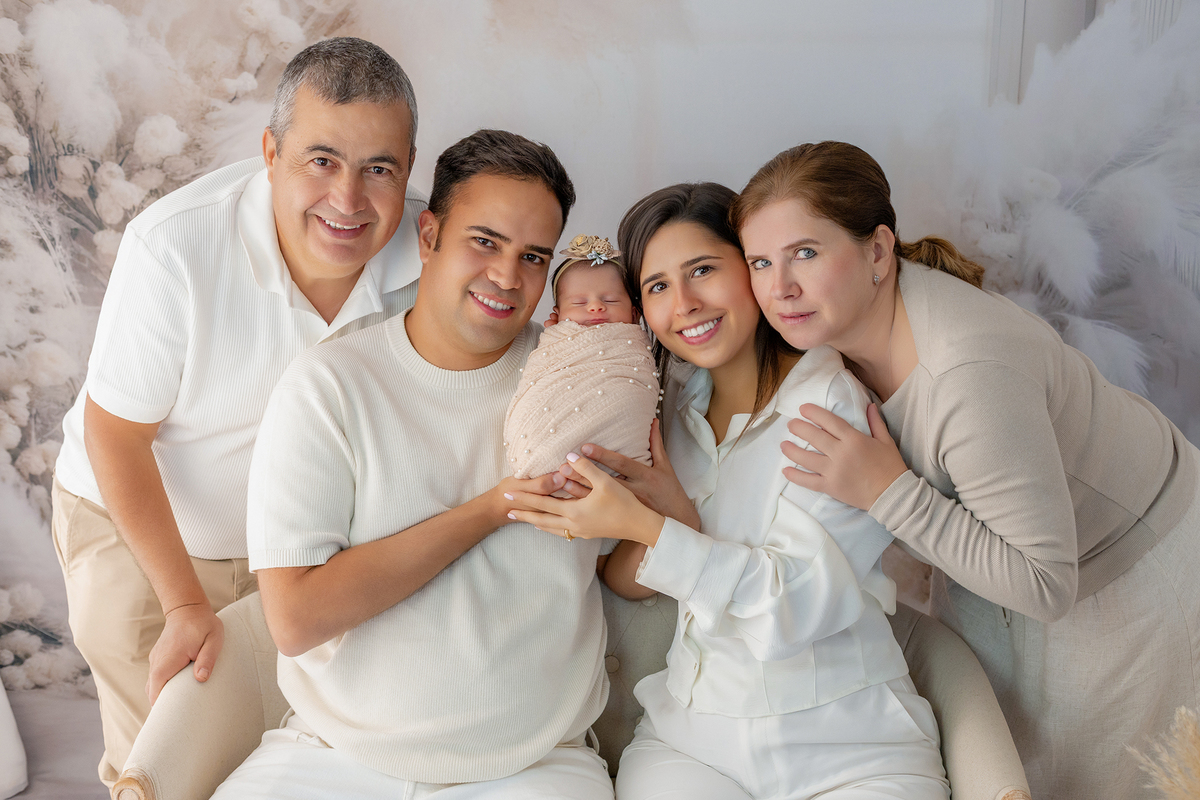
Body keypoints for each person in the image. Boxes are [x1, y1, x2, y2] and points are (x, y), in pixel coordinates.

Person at [733, 140, 1200, 800]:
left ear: (877, 251)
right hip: (1021, 568)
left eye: (805, 253)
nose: (779, 288)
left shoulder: (967, 373)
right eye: (760, 262)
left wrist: (884, 490)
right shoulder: (841, 340)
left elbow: (1045, 585)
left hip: (1132, 570)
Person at [49, 37, 424, 787]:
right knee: (162, 769)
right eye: (321, 160)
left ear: (409, 169)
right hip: (141, 531)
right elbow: (115, 435)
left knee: (271, 767)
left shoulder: (427, 254)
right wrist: (184, 602)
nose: (348, 200)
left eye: (378, 168)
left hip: (293, 553)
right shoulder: (175, 247)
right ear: (271, 151)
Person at [508, 183, 948, 800]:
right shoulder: (671, 407)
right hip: (692, 739)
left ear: (752, 269)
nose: (684, 303)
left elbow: (794, 611)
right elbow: (627, 579)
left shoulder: (831, 408)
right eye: (658, 286)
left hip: (848, 743)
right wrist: (668, 521)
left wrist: (661, 528)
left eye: (703, 271)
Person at [212, 129, 613, 799]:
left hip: (535, 764)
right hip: (334, 754)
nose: (508, 278)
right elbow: (296, 619)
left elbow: (629, 562)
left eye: (534, 257)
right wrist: (492, 510)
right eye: (484, 242)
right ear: (428, 237)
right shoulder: (329, 386)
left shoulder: (580, 377)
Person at [504, 234, 658, 483]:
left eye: (610, 300)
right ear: (558, 315)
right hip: (545, 471)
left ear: (634, 313)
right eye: (579, 302)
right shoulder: (554, 342)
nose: (596, 307)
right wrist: (557, 335)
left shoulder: (633, 349)